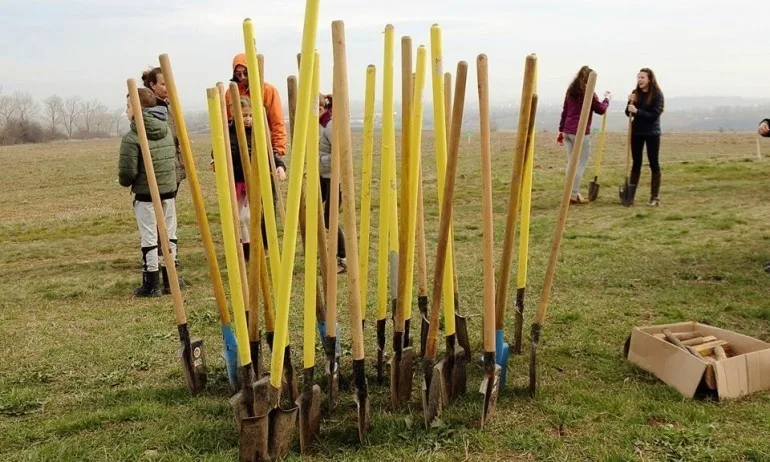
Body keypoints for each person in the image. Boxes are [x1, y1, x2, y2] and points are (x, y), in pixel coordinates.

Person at [118, 88, 178, 297]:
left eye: (128, 106)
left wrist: (126, 182)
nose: (125, 111)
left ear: (137, 109)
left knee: (150, 237)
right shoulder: (166, 129)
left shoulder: (133, 136)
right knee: (169, 235)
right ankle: (171, 279)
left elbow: (127, 172)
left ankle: (151, 282)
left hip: (146, 196)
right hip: (169, 192)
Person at [142, 67, 185, 292]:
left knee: (168, 221)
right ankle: (160, 267)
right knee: (158, 222)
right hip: (161, 170)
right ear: (153, 86)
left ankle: (170, 267)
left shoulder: (170, 106)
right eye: (163, 84)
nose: (168, 88)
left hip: (173, 169)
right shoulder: (152, 108)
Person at [227, 96, 285, 259]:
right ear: (234, 113)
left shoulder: (259, 132)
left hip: (257, 180)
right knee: (243, 217)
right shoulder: (228, 131)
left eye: (250, 115)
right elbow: (220, 150)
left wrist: (280, 166)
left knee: (261, 214)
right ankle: (246, 247)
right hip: (238, 180)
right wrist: (214, 159)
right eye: (244, 115)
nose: (248, 119)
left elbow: (269, 152)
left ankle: (264, 246)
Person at [227, 53, 288, 180]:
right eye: (238, 74)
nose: (242, 77)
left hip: (263, 149)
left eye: (245, 72)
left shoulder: (268, 91)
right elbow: (226, 124)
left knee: (265, 196)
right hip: (238, 155)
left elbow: (277, 123)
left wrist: (277, 151)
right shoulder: (231, 92)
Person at [557, 65, 611, 204]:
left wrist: (561, 130)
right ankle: (573, 194)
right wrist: (607, 99)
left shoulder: (570, 91)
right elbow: (600, 109)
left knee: (571, 162)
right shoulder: (589, 93)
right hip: (580, 133)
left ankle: (568, 192)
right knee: (580, 164)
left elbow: (565, 110)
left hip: (568, 131)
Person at [625, 68, 665, 206]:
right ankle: (630, 196)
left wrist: (637, 111)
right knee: (636, 163)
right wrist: (629, 103)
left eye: (642, 77)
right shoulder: (635, 93)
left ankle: (655, 197)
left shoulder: (657, 95)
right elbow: (628, 113)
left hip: (652, 133)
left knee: (654, 163)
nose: (639, 80)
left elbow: (654, 115)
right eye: (638, 77)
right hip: (637, 132)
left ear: (649, 79)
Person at [318, 94, 346, 273]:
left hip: (335, 178)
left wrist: (318, 160)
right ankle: (321, 253)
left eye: (318, 110)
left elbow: (340, 154)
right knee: (314, 213)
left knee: (330, 219)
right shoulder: (321, 124)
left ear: (324, 108)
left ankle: (343, 259)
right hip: (323, 176)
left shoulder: (331, 125)